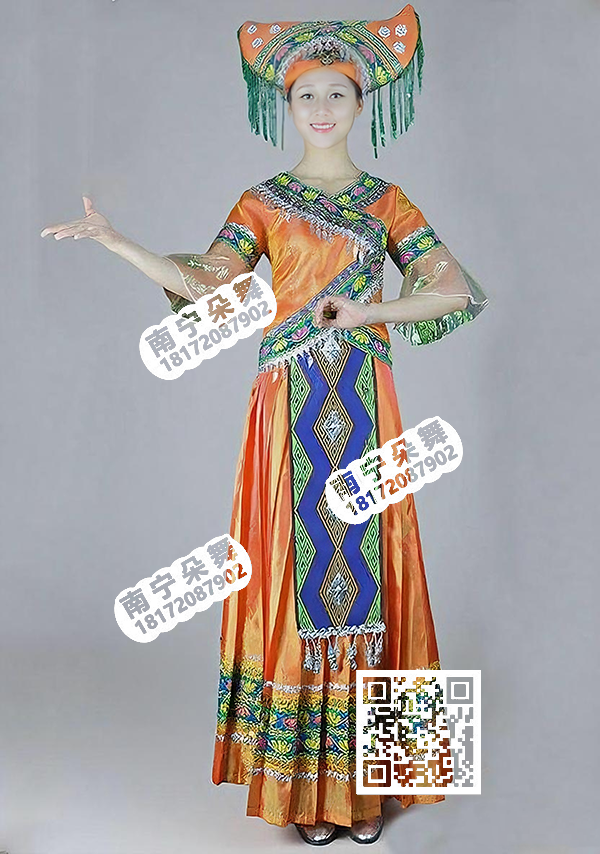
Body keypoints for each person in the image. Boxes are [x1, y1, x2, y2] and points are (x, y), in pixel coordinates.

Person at [41, 4, 488, 845]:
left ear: (362, 104)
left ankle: (369, 788)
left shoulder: (388, 201)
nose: (320, 107)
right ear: (286, 106)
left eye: (336, 93)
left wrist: (367, 312)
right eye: (305, 95)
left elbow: (454, 290)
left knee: (378, 569)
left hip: (367, 401)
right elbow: (208, 284)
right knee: (289, 566)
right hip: (285, 408)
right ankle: (307, 794)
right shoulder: (263, 200)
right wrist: (119, 243)